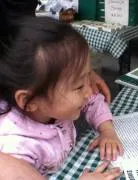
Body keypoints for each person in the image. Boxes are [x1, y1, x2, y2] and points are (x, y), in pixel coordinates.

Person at [0, 16, 124, 179]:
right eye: (79, 86)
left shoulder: (52, 104)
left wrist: (107, 130)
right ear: (28, 101)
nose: (89, 91)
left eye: (88, 76)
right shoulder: (16, 149)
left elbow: (93, 100)